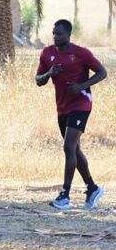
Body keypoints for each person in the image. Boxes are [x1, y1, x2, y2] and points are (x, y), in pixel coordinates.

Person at [36, 19, 107, 209]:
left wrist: (81, 86)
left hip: (81, 103)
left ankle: (65, 195)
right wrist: (49, 72)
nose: (55, 36)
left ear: (68, 34)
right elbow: (38, 80)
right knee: (74, 149)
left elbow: (102, 72)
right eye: (54, 33)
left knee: (68, 147)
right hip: (62, 106)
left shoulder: (81, 53)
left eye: (59, 33)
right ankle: (92, 188)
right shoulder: (47, 53)